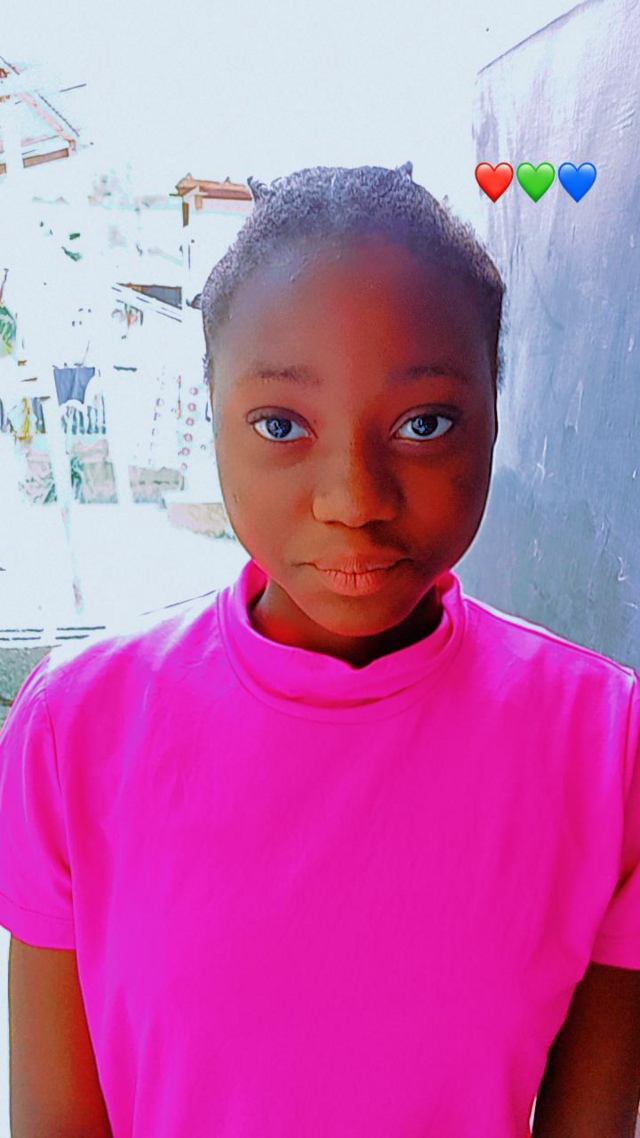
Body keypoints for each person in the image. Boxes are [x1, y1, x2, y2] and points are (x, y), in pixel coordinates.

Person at [2, 161, 640, 1138]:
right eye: (281, 424)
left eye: (424, 423)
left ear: (492, 418)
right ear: (213, 419)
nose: (353, 498)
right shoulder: (76, 730)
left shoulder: (605, 747)